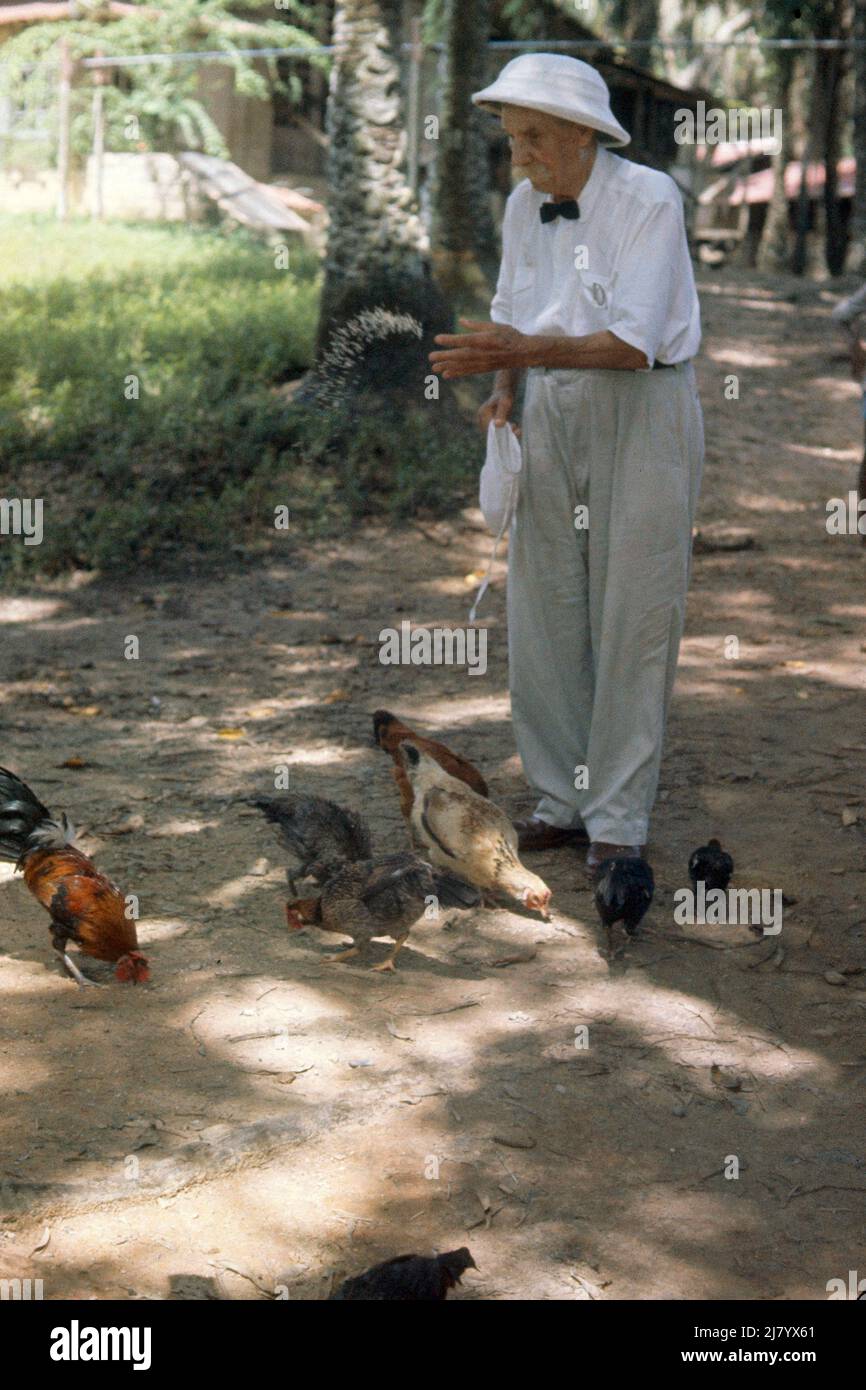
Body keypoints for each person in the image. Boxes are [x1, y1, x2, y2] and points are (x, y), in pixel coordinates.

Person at [429, 53, 704, 877]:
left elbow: (631, 342)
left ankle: (619, 818)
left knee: (634, 612)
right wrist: (506, 389)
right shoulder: (524, 204)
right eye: (512, 137)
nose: (519, 155)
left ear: (584, 133)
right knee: (546, 609)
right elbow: (513, 310)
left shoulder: (649, 198)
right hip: (550, 402)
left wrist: (524, 350)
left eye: (534, 136)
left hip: (640, 409)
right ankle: (562, 798)